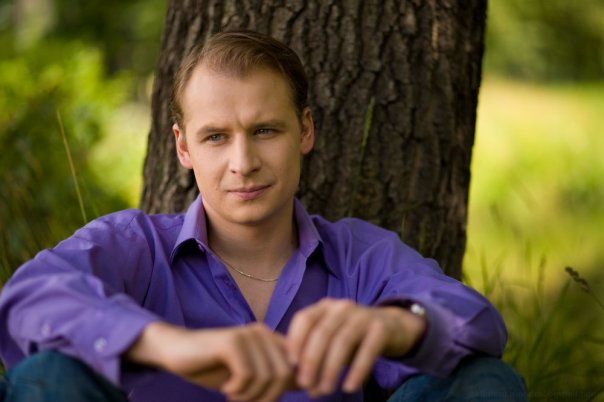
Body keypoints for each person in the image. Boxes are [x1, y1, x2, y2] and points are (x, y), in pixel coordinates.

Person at [0, 30, 526, 402]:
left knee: (482, 380)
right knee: (48, 376)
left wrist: (395, 325)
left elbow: (478, 322)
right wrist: (167, 345)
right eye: (216, 137)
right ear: (183, 148)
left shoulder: (359, 256)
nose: (243, 162)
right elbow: (27, 298)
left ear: (305, 130)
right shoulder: (135, 245)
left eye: (265, 131)